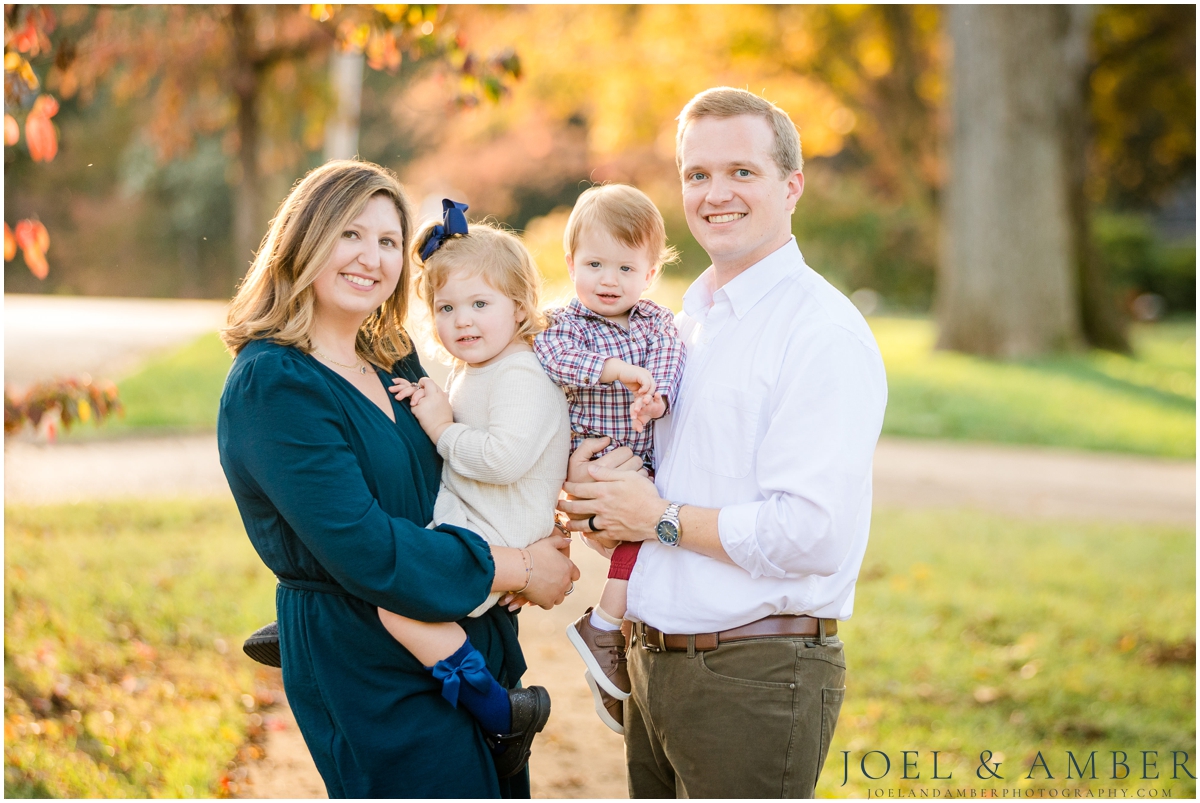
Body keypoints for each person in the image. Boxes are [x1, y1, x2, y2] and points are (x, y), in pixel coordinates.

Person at [558, 88, 888, 798]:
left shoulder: (818, 332)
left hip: (755, 676)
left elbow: (812, 533)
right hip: (652, 668)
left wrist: (657, 516)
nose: (716, 194)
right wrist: (602, 506)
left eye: (743, 171)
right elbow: (663, 491)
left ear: (791, 185)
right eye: (697, 175)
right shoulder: (686, 323)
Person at [217, 161, 580, 798]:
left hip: (471, 637)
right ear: (303, 240)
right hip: (370, 661)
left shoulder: (391, 359)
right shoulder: (275, 383)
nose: (371, 258)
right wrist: (516, 567)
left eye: (388, 242)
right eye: (350, 235)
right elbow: (366, 547)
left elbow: (470, 468)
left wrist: (538, 529)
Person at [376, 207, 570, 751]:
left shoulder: (521, 373)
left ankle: (498, 709)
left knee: (394, 597)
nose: (463, 321)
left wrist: (440, 430)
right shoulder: (478, 369)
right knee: (388, 572)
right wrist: (427, 401)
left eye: (480, 304)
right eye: (446, 308)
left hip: (495, 537)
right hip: (471, 524)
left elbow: (504, 458)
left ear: (520, 306)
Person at [531, 184, 686, 735]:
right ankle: (524, 593)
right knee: (544, 531)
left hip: (636, 464)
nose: (608, 279)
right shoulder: (563, 322)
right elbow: (557, 359)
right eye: (594, 264)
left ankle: (608, 627)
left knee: (646, 540)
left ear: (649, 274)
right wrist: (619, 373)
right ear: (571, 264)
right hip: (583, 453)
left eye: (625, 267)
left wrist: (657, 395)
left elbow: (670, 359)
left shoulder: (656, 324)